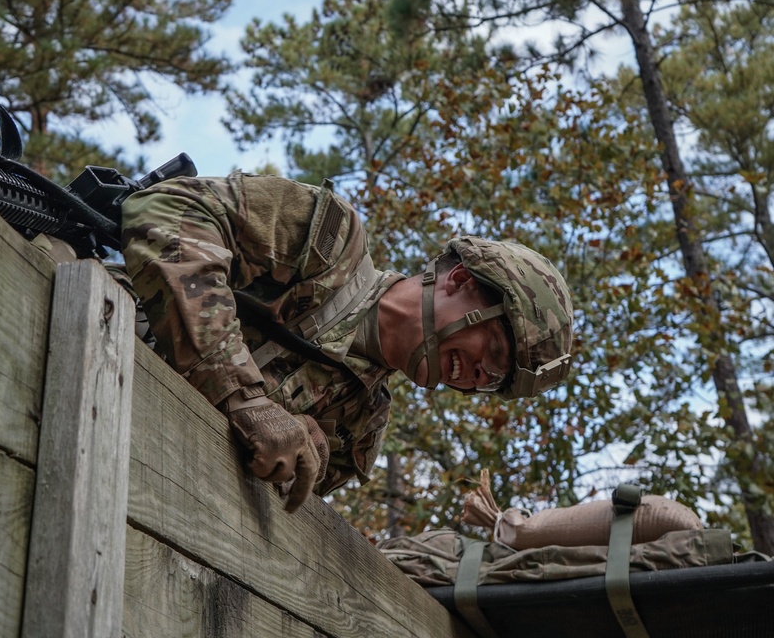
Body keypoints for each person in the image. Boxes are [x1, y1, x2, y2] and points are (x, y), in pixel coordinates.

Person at [119, 171, 573, 512]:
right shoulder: (327, 243)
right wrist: (245, 397)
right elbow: (164, 209)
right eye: (494, 352)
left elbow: (245, 509)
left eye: (496, 381)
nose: (481, 377)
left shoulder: (357, 429)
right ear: (459, 280)